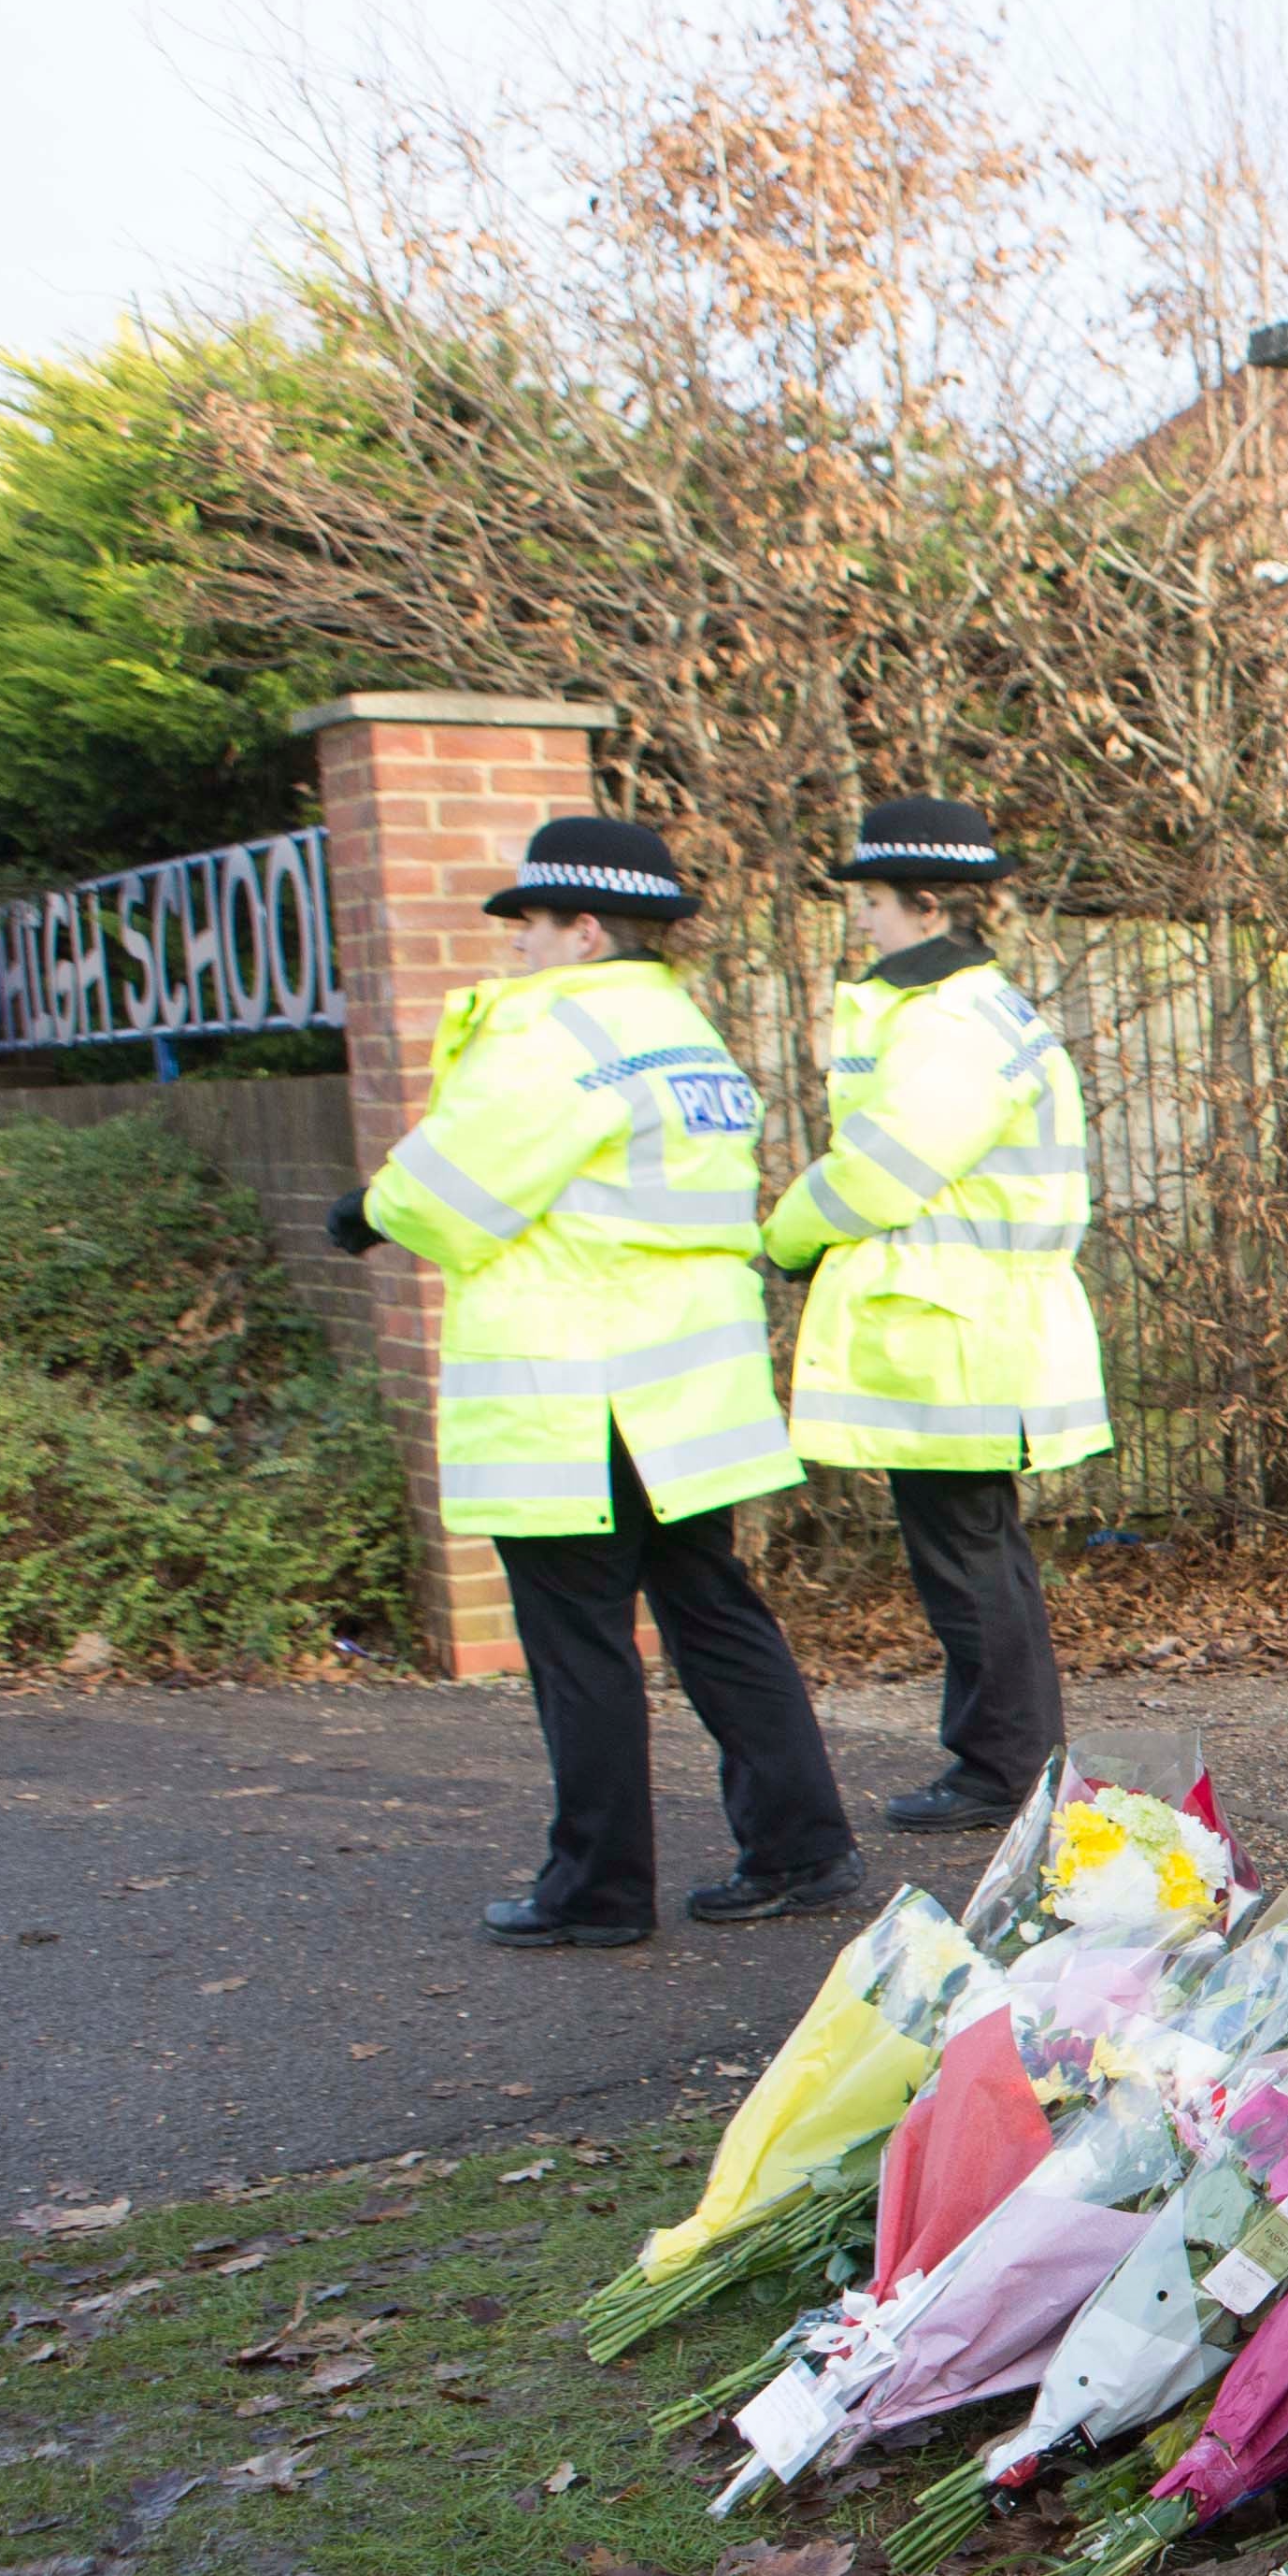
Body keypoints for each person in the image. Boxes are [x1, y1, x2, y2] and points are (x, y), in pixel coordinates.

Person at [335, 814, 864, 1949]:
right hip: (688, 1388)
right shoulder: (686, 1034)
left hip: (574, 1391)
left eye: (525, 925)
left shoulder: (551, 1035)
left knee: (580, 1645)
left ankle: (598, 1890)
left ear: (580, 930)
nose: (512, 948)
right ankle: (802, 1848)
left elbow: (450, 1193)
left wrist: (364, 1210)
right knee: (716, 1617)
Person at [765, 795, 1110, 1836]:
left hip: (948, 1329)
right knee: (974, 1552)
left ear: (921, 904)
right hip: (966, 1323)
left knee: (965, 1560)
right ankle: (1005, 1760)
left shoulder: (948, 1022)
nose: (860, 922)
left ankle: (999, 1770)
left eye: (868, 902)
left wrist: (784, 1234)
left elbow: (887, 1167)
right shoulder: (977, 1010)